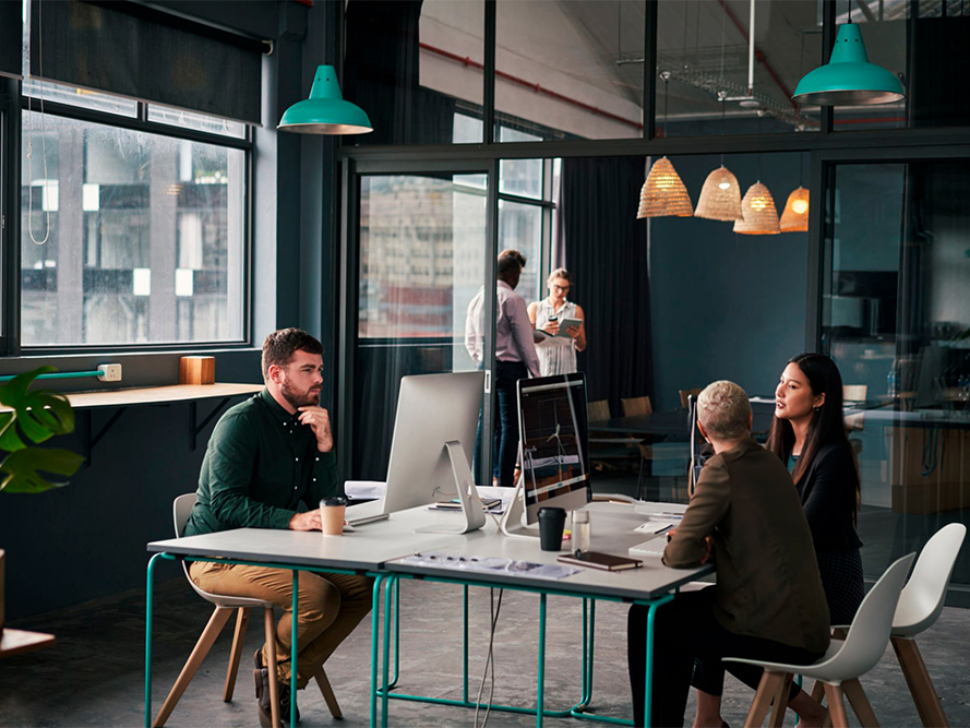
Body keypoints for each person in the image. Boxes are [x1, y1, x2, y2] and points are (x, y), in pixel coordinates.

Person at [183, 328, 373, 727]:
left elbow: (324, 498)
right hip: (216, 555)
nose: (320, 378)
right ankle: (279, 675)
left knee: (361, 587)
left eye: (319, 369)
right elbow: (225, 503)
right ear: (276, 374)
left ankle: (279, 670)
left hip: (274, 549)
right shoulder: (240, 423)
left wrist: (324, 446)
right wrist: (292, 520)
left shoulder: (306, 421)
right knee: (317, 596)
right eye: (308, 370)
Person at [628, 381, 830, 728]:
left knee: (650, 619)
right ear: (750, 421)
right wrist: (714, 543)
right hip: (807, 621)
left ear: (702, 429)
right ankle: (701, 722)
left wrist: (701, 544)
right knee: (680, 615)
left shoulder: (720, 470)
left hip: (777, 632)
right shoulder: (770, 461)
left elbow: (677, 555)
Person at [691, 354, 865, 728]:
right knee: (712, 608)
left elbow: (799, 530)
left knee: (721, 618)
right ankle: (707, 718)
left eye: (793, 385)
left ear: (819, 399)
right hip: (786, 575)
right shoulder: (777, 449)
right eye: (781, 381)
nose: (779, 392)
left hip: (827, 581)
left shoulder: (832, 456)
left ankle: (809, 712)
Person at [464, 249, 540, 488]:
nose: (517, 279)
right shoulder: (512, 299)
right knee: (510, 427)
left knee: (484, 424)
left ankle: (482, 481)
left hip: (485, 367)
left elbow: (470, 339)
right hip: (510, 369)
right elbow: (525, 342)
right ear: (510, 273)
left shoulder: (478, 298)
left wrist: (484, 360)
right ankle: (505, 483)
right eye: (517, 274)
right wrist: (536, 374)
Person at [528, 267, 587, 376]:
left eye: (565, 288)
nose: (561, 292)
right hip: (540, 370)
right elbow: (526, 341)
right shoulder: (535, 308)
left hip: (566, 370)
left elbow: (582, 346)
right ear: (549, 284)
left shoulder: (576, 310)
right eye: (557, 287)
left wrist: (577, 336)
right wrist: (542, 331)